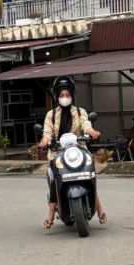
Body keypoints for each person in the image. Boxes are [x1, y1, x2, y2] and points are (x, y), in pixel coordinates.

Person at [38, 76, 108, 229]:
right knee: (54, 180)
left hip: (79, 151)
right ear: (57, 97)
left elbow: (86, 124)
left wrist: (92, 132)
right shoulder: (51, 115)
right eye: (62, 95)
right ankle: (50, 215)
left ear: (72, 96)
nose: (65, 98)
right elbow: (47, 132)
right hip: (57, 153)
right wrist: (44, 141)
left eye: (67, 95)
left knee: (89, 174)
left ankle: (99, 208)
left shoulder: (79, 111)